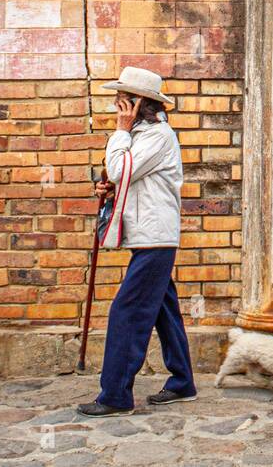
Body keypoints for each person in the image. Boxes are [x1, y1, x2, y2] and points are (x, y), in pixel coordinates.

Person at [78, 66, 196, 415]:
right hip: (150, 235)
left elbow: (120, 168)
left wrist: (119, 133)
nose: (116, 103)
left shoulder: (155, 135)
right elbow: (126, 176)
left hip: (155, 237)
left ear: (137, 103)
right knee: (164, 310)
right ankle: (182, 382)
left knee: (126, 312)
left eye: (122, 99)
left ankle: (115, 396)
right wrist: (112, 187)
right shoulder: (143, 134)